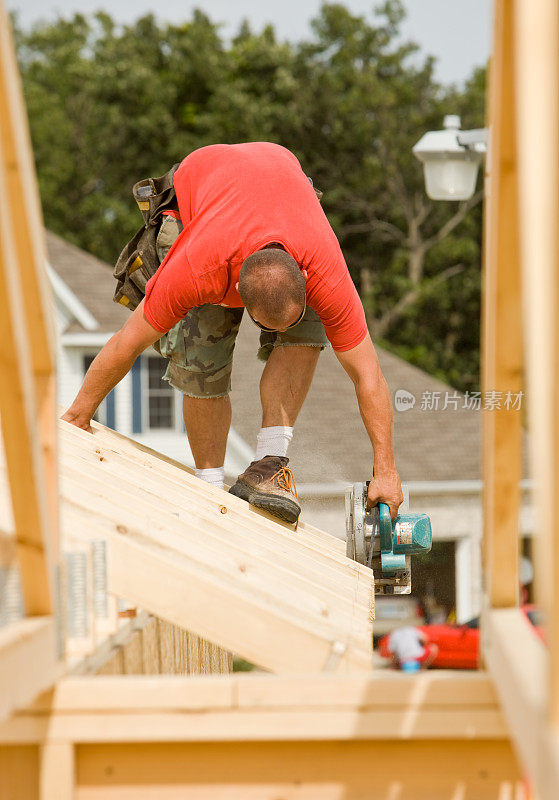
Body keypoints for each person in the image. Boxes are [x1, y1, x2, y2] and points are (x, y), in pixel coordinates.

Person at [62, 142, 403, 524]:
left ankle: (268, 464)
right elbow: (127, 342)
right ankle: (209, 486)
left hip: (280, 186)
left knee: (307, 334)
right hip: (198, 206)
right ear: (236, 293)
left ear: (305, 280)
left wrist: (386, 471)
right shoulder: (195, 268)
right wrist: (77, 415)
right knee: (202, 362)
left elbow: (367, 373)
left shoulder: (324, 268)